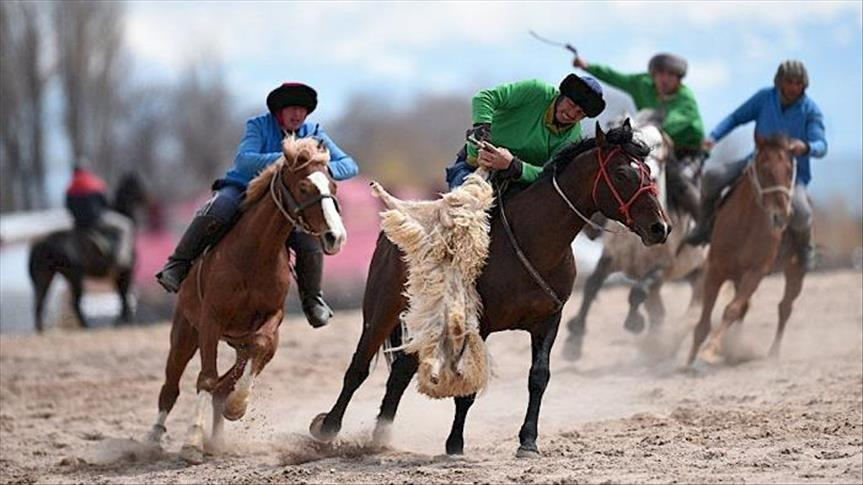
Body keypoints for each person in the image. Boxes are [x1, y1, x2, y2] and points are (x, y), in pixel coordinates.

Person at [155, 82, 358, 328]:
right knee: (218, 208)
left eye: (302, 110)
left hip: (288, 199)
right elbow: (244, 161)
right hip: (244, 188)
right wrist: (289, 157)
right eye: (291, 109)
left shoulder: (314, 131)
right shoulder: (258, 125)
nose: (297, 114)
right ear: (278, 112)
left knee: (309, 237)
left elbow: (350, 165)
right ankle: (178, 265)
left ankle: (313, 299)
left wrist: (319, 167)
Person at [685, 60, 827, 270]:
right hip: (757, 165)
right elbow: (735, 118)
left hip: (791, 176)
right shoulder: (764, 98)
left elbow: (822, 144)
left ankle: (805, 250)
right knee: (711, 177)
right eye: (789, 81)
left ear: (804, 85)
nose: (793, 87)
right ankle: (704, 227)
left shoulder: (811, 111)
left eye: (798, 83)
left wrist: (806, 147)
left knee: (802, 212)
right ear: (780, 82)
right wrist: (713, 137)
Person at [573, 52, 705, 218]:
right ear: (653, 75)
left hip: (685, 151)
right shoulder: (642, 84)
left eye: (671, 75)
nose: (664, 79)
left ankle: (703, 224)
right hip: (652, 139)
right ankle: (599, 217)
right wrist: (588, 66)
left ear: (679, 79)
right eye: (660, 73)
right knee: (622, 166)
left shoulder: (686, 99)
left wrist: (651, 127)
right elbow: (615, 77)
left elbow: (674, 120)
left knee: (677, 179)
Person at [444, 73, 606, 189]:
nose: (571, 114)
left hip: (516, 183)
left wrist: (513, 165)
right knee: (461, 213)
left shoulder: (573, 137)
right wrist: (483, 134)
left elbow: (553, 173)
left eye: (580, 113)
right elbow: (484, 98)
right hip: (473, 166)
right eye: (571, 105)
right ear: (562, 96)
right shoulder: (536, 91)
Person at [65, 163, 135, 269]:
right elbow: (105, 204)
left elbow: (68, 207)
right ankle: (123, 260)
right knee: (126, 225)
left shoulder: (69, 188)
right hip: (96, 222)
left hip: (78, 225)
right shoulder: (95, 183)